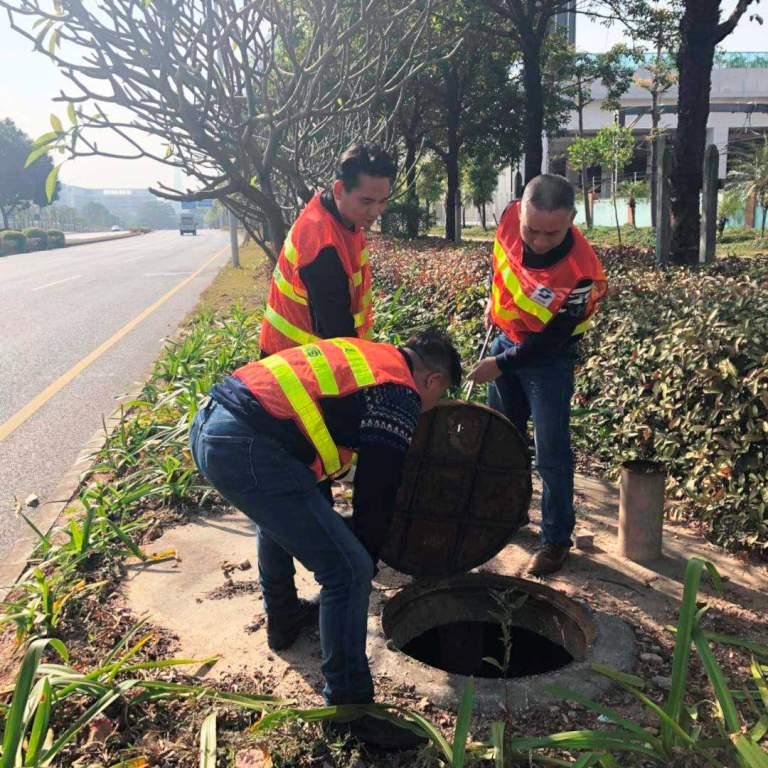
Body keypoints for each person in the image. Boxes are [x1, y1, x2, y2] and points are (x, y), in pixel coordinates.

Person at [189, 330, 462, 748]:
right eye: (439, 397)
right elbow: (378, 487)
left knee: (282, 508)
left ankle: (283, 619)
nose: (431, 408)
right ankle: (349, 711)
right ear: (434, 380)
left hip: (214, 424)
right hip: (246, 444)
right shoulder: (400, 393)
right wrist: (366, 557)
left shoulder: (369, 357)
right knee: (348, 570)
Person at [467, 174, 607, 577]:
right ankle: (510, 515)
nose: (539, 241)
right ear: (519, 210)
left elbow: (552, 340)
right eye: (533, 230)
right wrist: (492, 304)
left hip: (548, 362)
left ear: (572, 220)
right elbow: (500, 264)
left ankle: (555, 540)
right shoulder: (510, 219)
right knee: (503, 441)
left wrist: (501, 364)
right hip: (505, 338)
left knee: (552, 455)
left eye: (552, 233)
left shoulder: (581, 272)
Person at [259, 143, 396, 357]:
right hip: (294, 368)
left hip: (308, 359)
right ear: (340, 190)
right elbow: (339, 333)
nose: (376, 211)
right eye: (367, 201)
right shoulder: (321, 246)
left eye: (383, 201)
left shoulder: (344, 217)